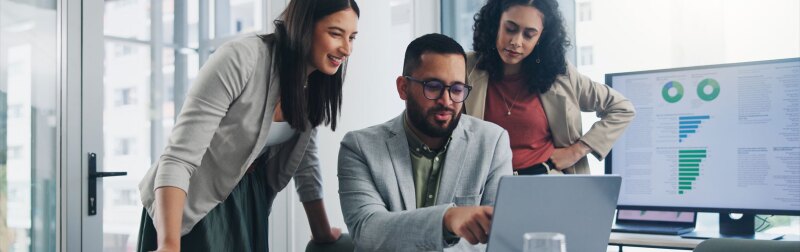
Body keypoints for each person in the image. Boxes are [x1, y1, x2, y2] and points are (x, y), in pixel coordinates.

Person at [136, 0, 359, 251]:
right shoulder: (242, 58)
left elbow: (303, 159)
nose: (347, 49)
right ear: (303, 26)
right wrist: (168, 245)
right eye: (335, 34)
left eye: (352, 37)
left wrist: (321, 232)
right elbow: (178, 158)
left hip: (246, 202)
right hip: (187, 204)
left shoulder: (313, 83)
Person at [337, 33, 513, 251]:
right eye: (433, 86)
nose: (447, 101)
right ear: (403, 88)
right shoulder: (359, 148)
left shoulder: (493, 143)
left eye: (457, 89)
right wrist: (446, 220)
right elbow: (368, 231)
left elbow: (499, 239)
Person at [465, 0, 635, 175]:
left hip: (548, 183)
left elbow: (622, 108)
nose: (516, 42)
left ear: (541, 38)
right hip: (485, 187)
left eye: (529, 34)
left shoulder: (560, 74)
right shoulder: (465, 67)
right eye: (510, 29)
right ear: (495, 24)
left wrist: (577, 150)